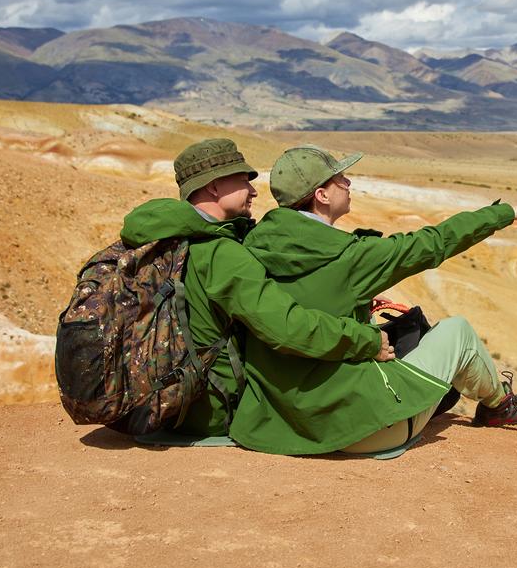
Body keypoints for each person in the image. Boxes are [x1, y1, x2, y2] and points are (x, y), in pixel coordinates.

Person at [230, 144, 517, 456]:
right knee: (458, 331)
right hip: (361, 431)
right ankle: (498, 405)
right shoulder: (353, 257)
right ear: (322, 195)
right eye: (339, 178)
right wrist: (508, 212)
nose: (348, 182)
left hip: (278, 425)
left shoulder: (250, 247)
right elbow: (434, 243)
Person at [118, 138, 393, 437]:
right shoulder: (219, 252)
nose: (253, 190)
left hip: (156, 399)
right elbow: (288, 329)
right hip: (209, 410)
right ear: (214, 186)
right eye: (242, 181)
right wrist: (365, 341)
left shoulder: (162, 238)